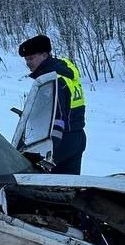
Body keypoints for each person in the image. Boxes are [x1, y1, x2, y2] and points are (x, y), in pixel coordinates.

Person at [18, 34, 87, 174]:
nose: (28, 63)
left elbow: (58, 118)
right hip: (77, 138)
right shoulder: (64, 72)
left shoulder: (52, 81)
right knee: (68, 187)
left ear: (44, 55)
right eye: (26, 60)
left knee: (41, 187)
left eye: (31, 58)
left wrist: (49, 151)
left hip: (62, 142)